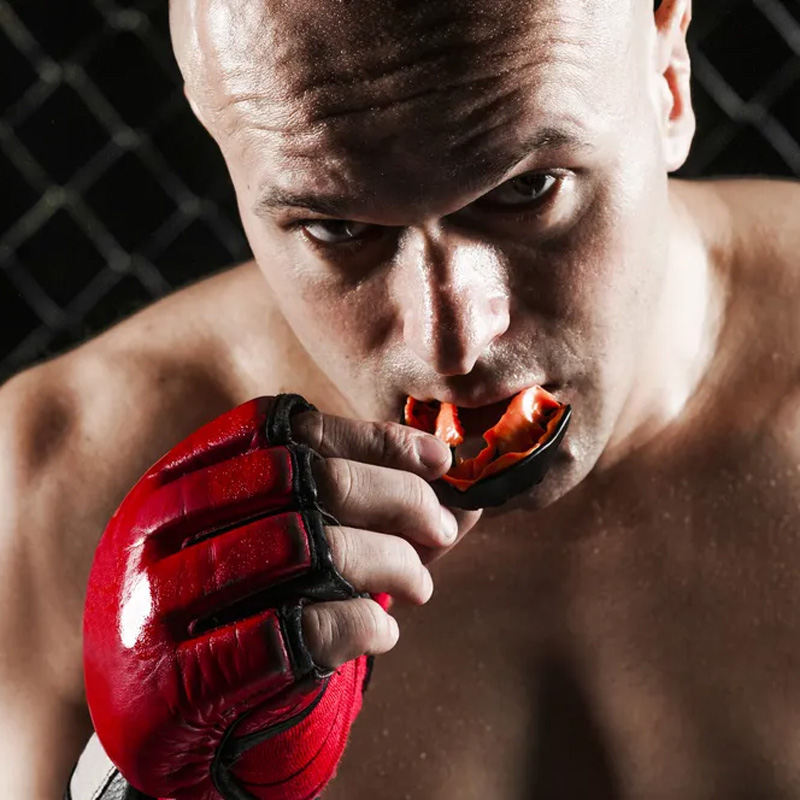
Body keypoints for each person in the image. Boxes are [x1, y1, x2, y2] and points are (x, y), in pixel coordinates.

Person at [2, 0, 800, 796]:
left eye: (527, 190)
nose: (451, 341)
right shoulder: (53, 480)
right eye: (340, 230)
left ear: (667, 73)